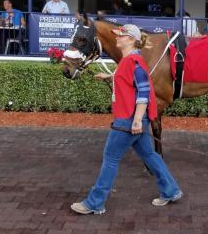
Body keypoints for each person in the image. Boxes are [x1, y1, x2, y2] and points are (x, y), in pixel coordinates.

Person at [71, 24, 182, 215]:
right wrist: (110, 77)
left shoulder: (134, 62)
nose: (117, 38)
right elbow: (129, 82)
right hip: (133, 119)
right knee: (150, 155)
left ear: (131, 39)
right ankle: (171, 190)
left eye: (121, 36)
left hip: (128, 120)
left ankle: (95, 202)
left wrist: (138, 120)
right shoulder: (129, 61)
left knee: (111, 158)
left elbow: (144, 91)